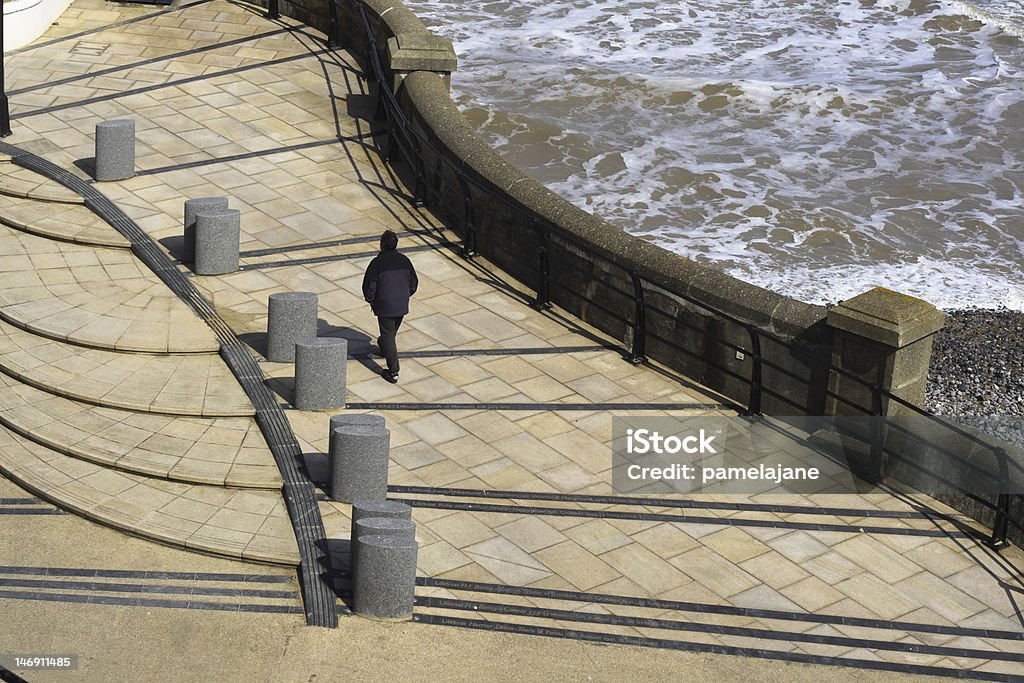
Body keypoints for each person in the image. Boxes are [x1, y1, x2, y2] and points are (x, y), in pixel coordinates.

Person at [361, 230, 418, 383]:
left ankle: (393, 371)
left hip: (385, 304)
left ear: (382, 245)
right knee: (389, 333)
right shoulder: (404, 260)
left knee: (388, 335)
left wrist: (370, 299)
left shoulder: (377, 263)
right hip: (401, 304)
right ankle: (383, 345)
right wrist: (404, 295)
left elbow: (370, 285)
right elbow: (414, 283)